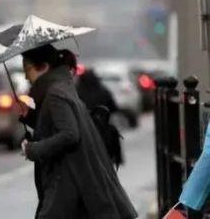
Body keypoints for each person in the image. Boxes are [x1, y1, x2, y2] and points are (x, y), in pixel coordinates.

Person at [16, 44, 137, 218]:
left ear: (43, 67)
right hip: (74, 182)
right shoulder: (60, 88)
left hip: (67, 182)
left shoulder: (55, 93)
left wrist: (32, 149)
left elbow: (70, 134)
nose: (26, 76)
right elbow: (55, 126)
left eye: (27, 69)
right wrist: (29, 117)